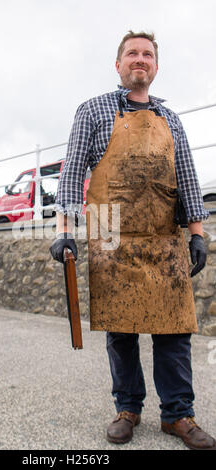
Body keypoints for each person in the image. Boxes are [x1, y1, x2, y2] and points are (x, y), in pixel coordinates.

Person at [50, 31, 216, 450]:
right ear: (119, 64)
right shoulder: (93, 110)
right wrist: (64, 231)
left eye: (147, 54)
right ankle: (127, 408)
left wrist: (197, 233)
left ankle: (178, 414)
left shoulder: (170, 118)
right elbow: (71, 174)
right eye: (131, 54)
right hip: (109, 228)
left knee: (174, 330)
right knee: (121, 331)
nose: (139, 60)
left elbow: (188, 177)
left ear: (155, 66)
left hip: (163, 232)